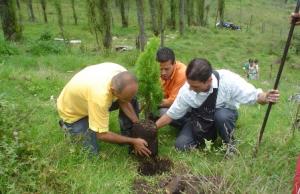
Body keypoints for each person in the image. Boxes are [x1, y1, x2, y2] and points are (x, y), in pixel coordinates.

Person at [155, 58, 280, 153]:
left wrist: (266, 97)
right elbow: (172, 114)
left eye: (196, 87)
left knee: (222, 116)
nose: (191, 89)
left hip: (221, 116)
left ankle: (229, 145)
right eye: (190, 85)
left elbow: (255, 96)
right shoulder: (187, 89)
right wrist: (153, 128)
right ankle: (204, 135)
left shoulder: (228, 80)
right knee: (181, 146)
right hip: (198, 118)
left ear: (208, 80)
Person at [57, 62, 151, 156]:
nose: (128, 101)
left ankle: (128, 133)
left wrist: (137, 123)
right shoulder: (100, 98)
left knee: (131, 98)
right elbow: (102, 135)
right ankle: (68, 126)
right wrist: (133, 141)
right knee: (90, 154)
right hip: (73, 112)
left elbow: (124, 101)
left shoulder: (121, 73)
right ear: (113, 90)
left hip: (89, 97)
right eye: (125, 99)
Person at [156, 47, 186, 116]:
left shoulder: (182, 74)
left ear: (174, 64)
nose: (163, 73)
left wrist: (151, 102)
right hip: (166, 99)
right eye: (160, 69)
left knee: (162, 112)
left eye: (166, 69)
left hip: (182, 105)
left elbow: (172, 102)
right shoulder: (156, 71)